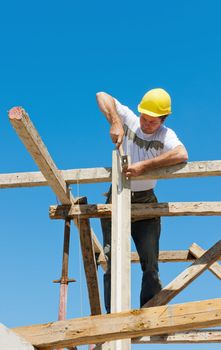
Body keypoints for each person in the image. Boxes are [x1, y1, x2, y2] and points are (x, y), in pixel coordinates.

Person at [96, 88, 188, 313]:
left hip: (146, 200)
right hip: (116, 196)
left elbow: (182, 154)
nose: (146, 125)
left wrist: (144, 167)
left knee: (150, 264)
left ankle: (148, 312)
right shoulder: (129, 120)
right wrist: (115, 122)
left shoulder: (166, 136)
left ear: (163, 119)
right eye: (144, 119)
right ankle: (112, 316)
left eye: (152, 122)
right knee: (112, 260)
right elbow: (102, 95)